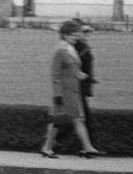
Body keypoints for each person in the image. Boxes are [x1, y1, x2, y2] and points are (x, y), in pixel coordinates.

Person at [38, 19, 101, 159]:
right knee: (67, 121)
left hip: (73, 90)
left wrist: (81, 75)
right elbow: (55, 74)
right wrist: (58, 95)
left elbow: (71, 68)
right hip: (64, 92)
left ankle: (49, 148)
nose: (77, 37)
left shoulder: (69, 47)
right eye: (74, 35)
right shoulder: (60, 50)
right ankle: (86, 147)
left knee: (71, 120)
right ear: (66, 35)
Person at [75, 22, 100, 150]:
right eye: (84, 33)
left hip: (85, 85)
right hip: (78, 86)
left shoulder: (84, 47)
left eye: (88, 33)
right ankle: (88, 147)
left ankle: (88, 147)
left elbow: (87, 68)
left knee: (82, 118)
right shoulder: (77, 47)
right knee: (85, 118)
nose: (86, 35)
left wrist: (91, 79)